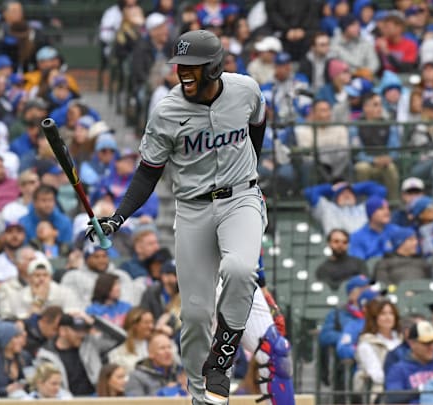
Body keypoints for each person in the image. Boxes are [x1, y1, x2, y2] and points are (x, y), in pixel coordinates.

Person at [84, 29, 267, 405]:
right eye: (180, 64)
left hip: (241, 198)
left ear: (214, 67)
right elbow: (148, 172)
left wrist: (250, 171)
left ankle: (223, 358)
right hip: (193, 209)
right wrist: (118, 218)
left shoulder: (246, 89)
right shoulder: (167, 111)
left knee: (240, 270)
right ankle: (202, 398)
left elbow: (258, 125)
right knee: (197, 315)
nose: (183, 71)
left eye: (193, 66)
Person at [34, 313, 124, 397]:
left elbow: (121, 337)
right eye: (77, 330)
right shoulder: (46, 355)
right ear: (62, 331)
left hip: (96, 398)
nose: (82, 334)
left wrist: (94, 321)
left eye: (84, 330)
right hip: (66, 401)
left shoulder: (90, 344)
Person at [352, 299, 402, 400]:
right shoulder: (366, 344)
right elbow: (378, 377)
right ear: (374, 318)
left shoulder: (402, 340)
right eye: (383, 314)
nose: (388, 317)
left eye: (391, 313)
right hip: (380, 391)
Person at [384, 321, 433, 404]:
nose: (432, 347)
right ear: (412, 343)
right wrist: (422, 389)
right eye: (426, 343)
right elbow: (393, 396)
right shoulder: (399, 369)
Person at [304, 181, 388, 236]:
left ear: (356, 198)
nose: (346, 195)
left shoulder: (364, 208)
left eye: (350, 193)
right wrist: (332, 189)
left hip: (361, 245)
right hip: (337, 245)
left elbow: (381, 191)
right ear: (336, 198)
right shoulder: (327, 208)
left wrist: (354, 187)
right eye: (342, 194)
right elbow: (309, 192)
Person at [0, 321, 32, 398]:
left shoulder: (25, 357)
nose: (21, 341)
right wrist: (5, 390)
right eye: (16, 337)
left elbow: (32, 382)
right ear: (5, 340)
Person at [125, 332, 182, 396]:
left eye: (169, 347)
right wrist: (162, 394)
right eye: (162, 348)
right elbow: (134, 402)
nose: (167, 351)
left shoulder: (180, 372)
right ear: (151, 354)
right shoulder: (136, 376)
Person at [349, 196, 401, 260]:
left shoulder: (397, 231)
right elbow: (359, 263)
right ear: (371, 213)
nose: (387, 212)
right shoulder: (357, 237)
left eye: (388, 208)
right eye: (381, 208)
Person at [107, 307, 154, 374]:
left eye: (152, 322)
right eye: (146, 323)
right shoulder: (120, 348)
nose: (151, 326)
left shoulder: (154, 343)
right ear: (134, 325)